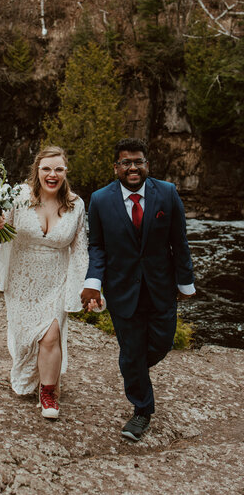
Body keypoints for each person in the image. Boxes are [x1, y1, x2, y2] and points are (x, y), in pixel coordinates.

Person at [81, 138, 195, 441]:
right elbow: (97, 247)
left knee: (162, 343)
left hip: (161, 287)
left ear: (147, 165)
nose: (133, 167)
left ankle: (131, 366)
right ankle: (142, 410)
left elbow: (179, 242)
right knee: (132, 350)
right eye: (126, 162)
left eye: (138, 161)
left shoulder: (168, 194)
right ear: (116, 167)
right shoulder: (100, 199)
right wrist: (93, 282)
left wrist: (186, 283)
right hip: (121, 291)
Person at [0, 146, 91, 419]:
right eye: (46, 168)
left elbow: (80, 251)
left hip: (56, 279)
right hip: (22, 279)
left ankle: (49, 394)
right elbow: (2, 235)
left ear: (66, 172)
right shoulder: (19, 197)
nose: (52, 174)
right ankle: (32, 376)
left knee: (51, 336)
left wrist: (83, 289)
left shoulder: (76, 204)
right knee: (25, 340)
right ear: (37, 170)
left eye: (58, 169)